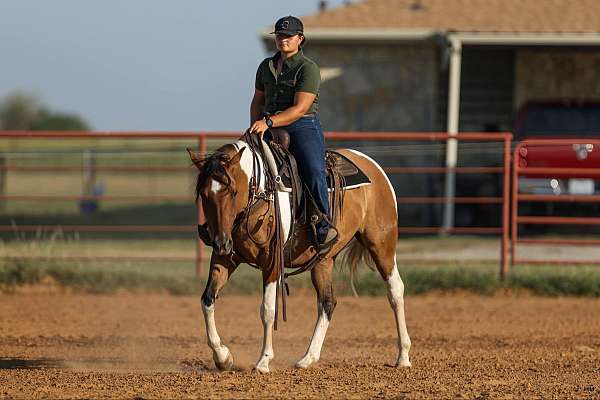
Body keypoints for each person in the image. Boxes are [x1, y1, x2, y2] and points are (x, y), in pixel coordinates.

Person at [249, 15, 337, 250]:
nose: (283, 39)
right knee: (243, 165)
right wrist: (254, 127)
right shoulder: (265, 66)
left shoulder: (308, 68)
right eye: (279, 35)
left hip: (302, 125)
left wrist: (268, 122)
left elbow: (299, 110)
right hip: (267, 124)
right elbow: (257, 101)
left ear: (300, 39)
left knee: (313, 168)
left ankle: (323, 226)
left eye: (288, 36)